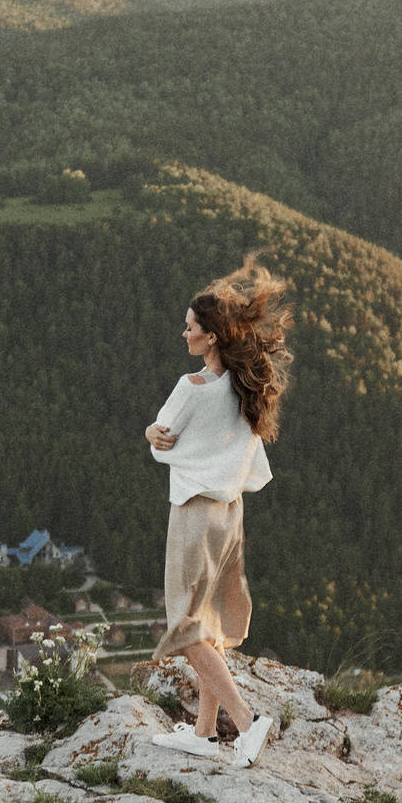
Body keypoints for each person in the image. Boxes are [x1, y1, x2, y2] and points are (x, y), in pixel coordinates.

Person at [142, 255, 293, 766]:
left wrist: (149, 432)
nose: (184, 333)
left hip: (195, 513)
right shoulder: (246, 388)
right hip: (230, 514)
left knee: (186, 629)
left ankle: (247, 723)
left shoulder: (192, 388)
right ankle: (204, 733)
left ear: (210, 337)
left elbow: (163, 441)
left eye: (190, 327)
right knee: (210, 622)